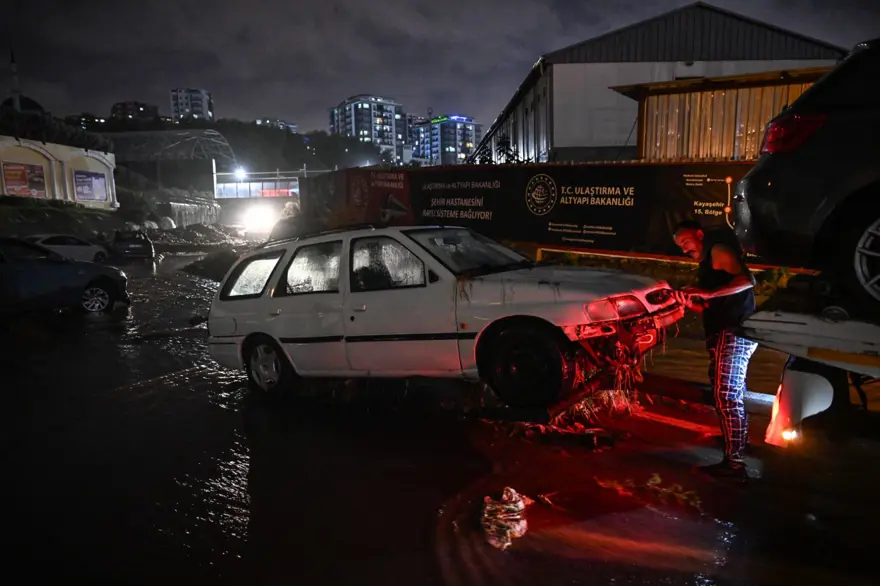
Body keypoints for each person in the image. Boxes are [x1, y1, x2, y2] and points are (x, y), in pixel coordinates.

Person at [672, 219, 758, 480]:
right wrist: (691, 302)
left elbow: (747, 281)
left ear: (699, 235)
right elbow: (714, 305)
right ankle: (736, 446)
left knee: (727, 396)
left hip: (734, 332)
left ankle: (735, 464)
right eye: (680, 246)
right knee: (729, 394)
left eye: (685, 241)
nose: (684, 249)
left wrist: (706, 294)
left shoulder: (718, 250)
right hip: (725, 332)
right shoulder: (708, 263)